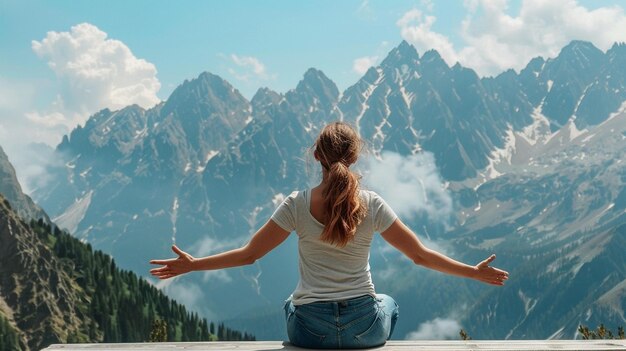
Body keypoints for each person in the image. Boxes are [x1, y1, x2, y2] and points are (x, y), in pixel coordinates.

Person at [150, 121, 509, 349]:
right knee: (389, 304)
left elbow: (249, 255)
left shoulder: (296, 204)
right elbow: (419, 256)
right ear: (354, 158)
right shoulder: (372, 204)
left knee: (291, 303)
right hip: (364, 329)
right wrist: (473, 272)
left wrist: (193, 265)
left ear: (316, 156)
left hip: (310, 332)